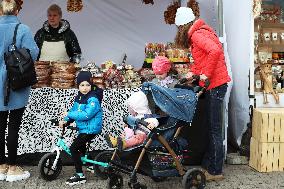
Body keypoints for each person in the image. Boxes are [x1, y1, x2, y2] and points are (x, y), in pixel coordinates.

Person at [174, 7, 231, 181]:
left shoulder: (197, 34)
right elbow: (204, 58)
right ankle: (210, 163)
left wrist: (205, 74)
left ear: (183, 25)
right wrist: (194, 73)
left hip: (215, 84)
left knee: (214, 129)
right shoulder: (200, 31)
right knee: (212, 127)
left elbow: (215, 51)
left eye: (178, 27)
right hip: (215, 84)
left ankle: (215, 171)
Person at [0, 0, 39, 182]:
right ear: (16, 10)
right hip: (16, 82)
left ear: (1, 10)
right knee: (13, 126)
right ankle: (13, 167)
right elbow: (33, 53)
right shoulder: (23, 29)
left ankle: (0, 166)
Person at [59, 71, 103, 185]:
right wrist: (66, 121)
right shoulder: (79, 97)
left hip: (91, 129)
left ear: (91, 85)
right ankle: (92, 164)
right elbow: (74, 112)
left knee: (74, 148)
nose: (84, 88)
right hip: (84, 128)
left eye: (87, 85)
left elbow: (86, 115)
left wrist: (69, 114)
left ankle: (80, 175)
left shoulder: (93, 99)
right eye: (82, 85)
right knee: (81, 146)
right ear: (77, 86)